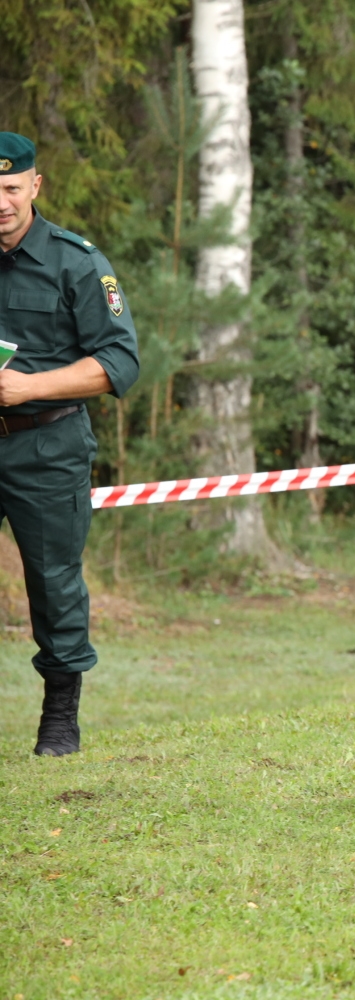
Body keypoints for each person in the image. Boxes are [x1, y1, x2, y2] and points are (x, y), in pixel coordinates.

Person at [0, 133, 140, 756]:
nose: (1, 202)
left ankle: (59, 718)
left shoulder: (77, 262)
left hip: (46, 445)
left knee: (54, 583)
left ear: (35, 185)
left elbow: (119, 363)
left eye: (11, 188)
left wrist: (29, 387)